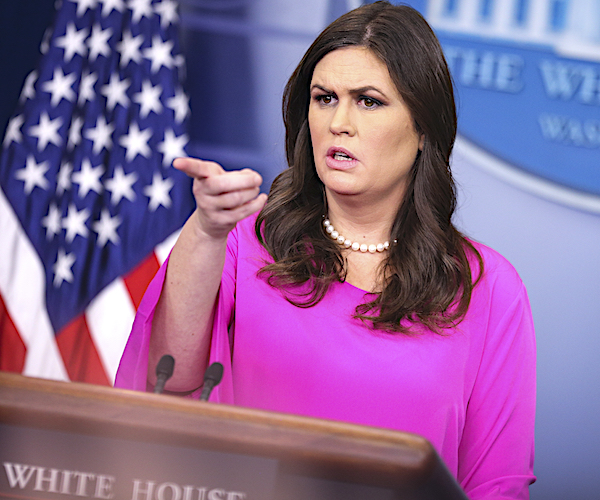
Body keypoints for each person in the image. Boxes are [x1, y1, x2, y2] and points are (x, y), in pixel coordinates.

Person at [115, 2, 536, 498]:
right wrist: (206, 230)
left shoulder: (486, 287)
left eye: (369, 101)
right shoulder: (244, 243)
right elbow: (167, 383)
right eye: (324, 98)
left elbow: (495, 484)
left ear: (423, 128)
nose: (339, 122)